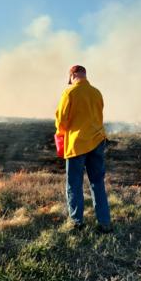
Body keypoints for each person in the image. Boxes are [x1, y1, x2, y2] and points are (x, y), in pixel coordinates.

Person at [55, 65, 112, 233]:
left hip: (77, 144)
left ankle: (77, 222)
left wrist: (61, 134)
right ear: (85, 75)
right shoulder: (97, 93)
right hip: (97, 141)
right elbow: (99, 116)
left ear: (73, 76)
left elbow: (61, 120)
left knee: (74, 184)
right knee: (97, 183)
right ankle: (105, 223)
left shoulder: (69, 92)